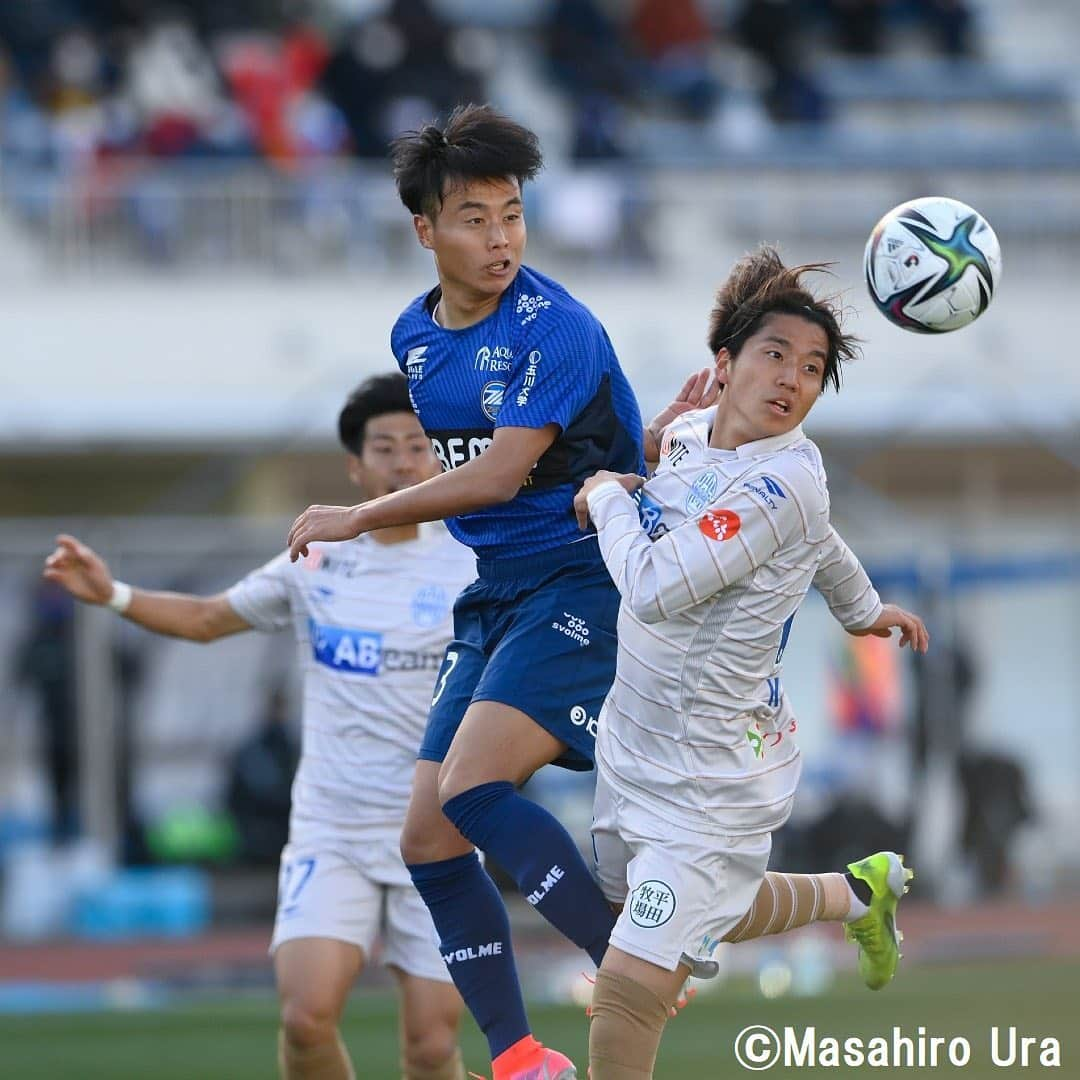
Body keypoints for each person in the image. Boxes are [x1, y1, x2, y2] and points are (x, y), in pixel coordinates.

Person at [285, 103, 731, 1080]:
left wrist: (352, 515)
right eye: (475, 218)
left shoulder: (556, 325)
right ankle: (520, 1052)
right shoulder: (415, 334)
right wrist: (640, 442)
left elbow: (495, 476)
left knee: (475, 790)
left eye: (514, 214)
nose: (501, 238)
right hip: (495, 590)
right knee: (429, 834)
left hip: (581, 578)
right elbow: (535, 456)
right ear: (425, 231)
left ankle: (631, 956)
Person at [42, 373, 475, 1080]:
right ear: (354, 466)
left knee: (430, 1045)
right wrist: (113, 592)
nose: (403, 461)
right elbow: (210, 618)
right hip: (331, 828)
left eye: (418, 446)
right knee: (304, 1018)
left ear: (439, 460)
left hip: (439, 831)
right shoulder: (316, 559)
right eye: (385, 447)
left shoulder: (473, 559)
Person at [574, 247, 929, 1079]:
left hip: (713, 774)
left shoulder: (787, 482)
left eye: (812, 369)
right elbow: (827, 548)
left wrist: (607, 496)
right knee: (677, 909)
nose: (793, 380)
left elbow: (656, 586)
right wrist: (862, 607)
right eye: (776, 355)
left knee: (625, 988)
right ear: (725, 364)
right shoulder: (694, 436)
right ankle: (857, 895)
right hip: (633, 743)